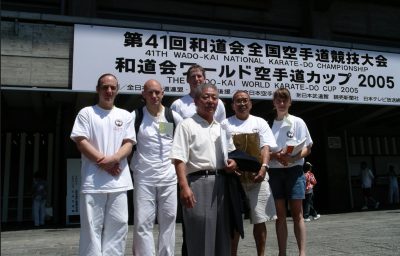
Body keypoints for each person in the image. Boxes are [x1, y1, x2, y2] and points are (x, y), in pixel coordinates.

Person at [70, 73, 136, 256]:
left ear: (117, 90)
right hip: (93, 183)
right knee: (91, 230)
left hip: (119, 181)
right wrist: (104, 162)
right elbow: (81, 141)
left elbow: (129, 143)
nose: (109, 91)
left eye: (113, 87)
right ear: (97, 89)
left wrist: (113, 160)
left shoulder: (125, 115)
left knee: (119, 226)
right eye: (105, 87)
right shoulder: (86, 113)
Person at [170, 83, 237, 256]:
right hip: (198, 183)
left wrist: (233, 164)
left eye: (214, 97)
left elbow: (230, 154)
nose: (210, 101)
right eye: (205, 97)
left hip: (222, 183)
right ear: (195, 101)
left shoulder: (221, 128)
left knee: (222, 236)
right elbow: (179, 159)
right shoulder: (186, 125)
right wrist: (184, 187)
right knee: (200, 236)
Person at [221, 90, 277, 256]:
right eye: (238, 101)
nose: (242, 104)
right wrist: (231, 169)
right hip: (233, 178)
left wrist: (263, 168)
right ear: (232, 105)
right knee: (234, 222)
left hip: (258, 177)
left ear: (251, 103)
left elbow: (265, 147)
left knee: (260, 220)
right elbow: (223, 151)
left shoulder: (260, 122)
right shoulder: (225, 124)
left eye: (245, 100)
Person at [130, 79, 182, 256]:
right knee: (143, 222)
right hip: (144, 177)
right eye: (150, 92)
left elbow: (182, 145)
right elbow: (125, 144)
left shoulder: (172, 116)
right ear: (143, 94)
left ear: (163, 93)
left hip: (169, 177)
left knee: (168, 220)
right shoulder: (135, 116)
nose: (154, 96)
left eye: (157, 92)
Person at [268, 88, 313, 256]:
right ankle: (282, 252)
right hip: (275, 172)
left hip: (294, 171)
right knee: (280, 216)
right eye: (278, 100)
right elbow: (263, 150)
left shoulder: (298, 122)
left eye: (284, 100)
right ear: (273, 103)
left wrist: (293, 159)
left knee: (297, 213)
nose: (281, 103)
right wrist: (275, 155)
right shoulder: (268, 124)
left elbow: (307, 147)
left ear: (289, 102)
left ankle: (302, 252)